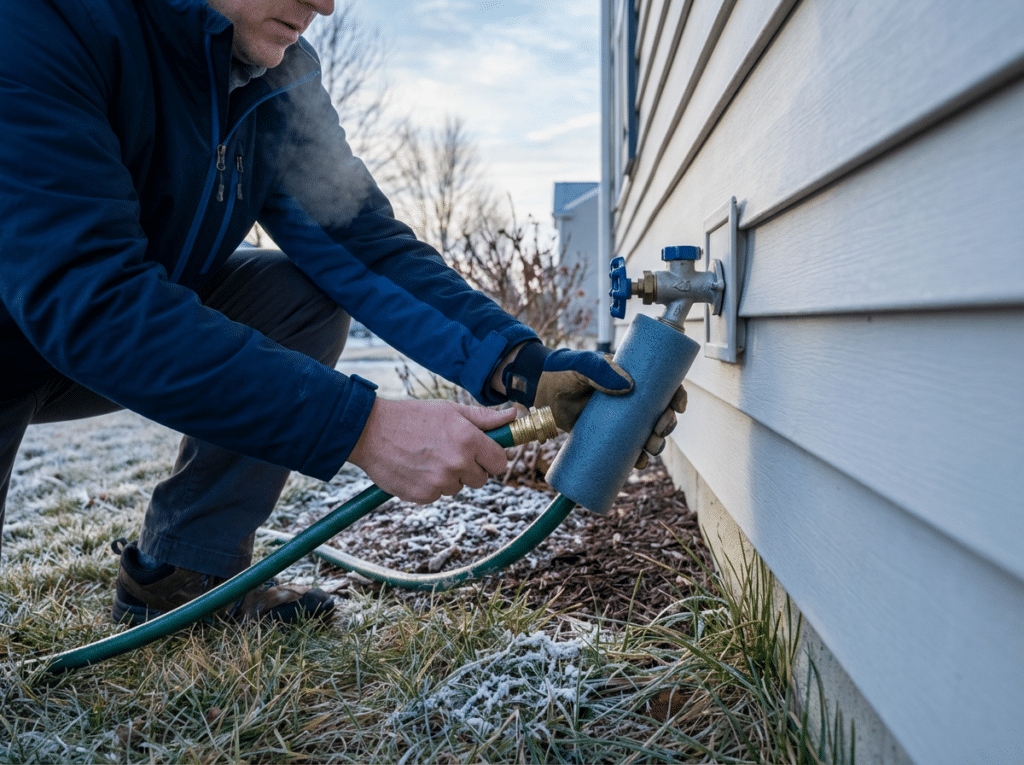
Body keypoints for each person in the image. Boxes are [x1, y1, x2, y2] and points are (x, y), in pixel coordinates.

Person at [0, 0, 683, 626]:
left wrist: (521, 365)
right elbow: (90, 297)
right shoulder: (44, 24)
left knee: (297, 296)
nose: (325, 4)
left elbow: (362, 244)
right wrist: (360, 425)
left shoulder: (278, 78)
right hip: (29, 332)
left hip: (94, 335)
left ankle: (186, 575)